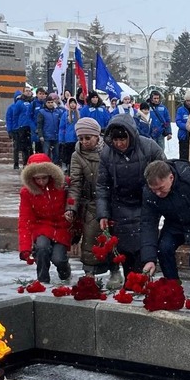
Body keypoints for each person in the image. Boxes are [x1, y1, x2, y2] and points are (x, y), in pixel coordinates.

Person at [96, 114, 166, 278]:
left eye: (123, 139)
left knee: (144, 243)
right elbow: (102, 185)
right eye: (116, 140)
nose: (119, 144)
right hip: (120, 203)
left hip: (145, 201)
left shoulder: (149, 147)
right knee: (125, 248)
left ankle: (143, 279)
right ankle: (131, 280)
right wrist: (103, 214)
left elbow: (164, 169)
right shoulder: (107, 154)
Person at [140, 160, 190, 288]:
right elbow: (148, 223)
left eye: (161, 188)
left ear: (171, 178)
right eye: (154, 190)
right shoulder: (149, 193)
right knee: (164, 249)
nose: (158, 194)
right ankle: (173, 289)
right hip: (175, 225)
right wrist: (149, 259)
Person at [64, 118, 123, 288]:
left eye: (88, 138)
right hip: (90, 203)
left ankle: (115, 270)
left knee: (112, 238)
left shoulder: (109, 151)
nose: (84, 142)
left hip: (112, 202)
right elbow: (75, 184)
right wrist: (71, 207)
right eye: (81, 138)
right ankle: (89, 274)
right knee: (90, 239)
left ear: (98, 136)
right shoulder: (77, 155)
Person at [18, 153, 71, 284]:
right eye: (37, 179)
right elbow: (25, 219)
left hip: (62, 226)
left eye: (44, 178)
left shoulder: (63, 186)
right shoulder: (27, 192)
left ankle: (65, 272)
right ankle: (42, 281)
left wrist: (76, 230)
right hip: (41, 227)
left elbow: (73, 204)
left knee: (59, 259)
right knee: (42, 248)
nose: (41, 182)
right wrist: (25, 248)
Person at [36, 96, 63, 164]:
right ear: (46, 103)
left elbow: (60, 125)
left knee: (56, 154)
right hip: (46, 137)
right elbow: (39, 125)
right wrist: (40, 135)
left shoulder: (58, 112)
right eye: (48, 102)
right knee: (46, 154)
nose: (50, 104)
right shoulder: (42, 112)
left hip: (56, 136)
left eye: (52, 102)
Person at [58, 97, 80, 173]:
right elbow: (62, 127)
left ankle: (74, 169)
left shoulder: (79, 114)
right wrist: (61, 139)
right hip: (68, 139)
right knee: (68, 155)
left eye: (74, 103)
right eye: (71, 103)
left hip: (77, 138)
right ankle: (67, 168)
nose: (73, 105)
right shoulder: (65, 114)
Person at [175, 91, 190, 160]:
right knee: (183, 155)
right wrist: (188, 126)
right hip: (183, 135)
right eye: (187, 101)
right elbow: (178, 121)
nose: (189, 102)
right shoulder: (180, 110)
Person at [5, 90, 23, 169]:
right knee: (16, 148)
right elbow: (8, 120)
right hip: (15, 130)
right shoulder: (11, 108)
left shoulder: (23, 106)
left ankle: (25, 162)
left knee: (24, 148)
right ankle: (16, 163)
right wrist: (9, 130)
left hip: (23, 129)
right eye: (17, 98)